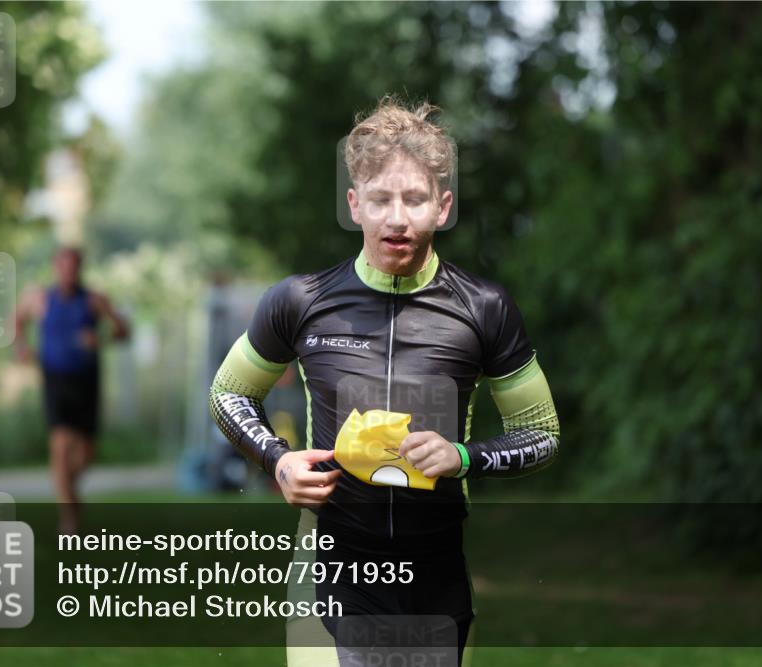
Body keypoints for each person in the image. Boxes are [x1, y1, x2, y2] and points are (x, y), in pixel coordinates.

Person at [209, 97, 560, 666]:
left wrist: (465, 458)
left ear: (442, 207)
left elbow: (541, 432)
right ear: (355, 205)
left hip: (436, 575)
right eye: (380, 200)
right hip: (331, 568)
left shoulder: (486, 309)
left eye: (415, 199)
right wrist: (277, 459)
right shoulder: (300, 301)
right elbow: (228, 393)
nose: (397, 218)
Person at [14, 246, 130, 534]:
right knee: (61, 444)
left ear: (80, 269)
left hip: (87, 381)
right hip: (55, 380)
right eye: (63, 266)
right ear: (56, 267)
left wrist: (100, 336)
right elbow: (16, 320)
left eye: (73, 267)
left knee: (86, 453)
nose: (68, 272)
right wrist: (23, 347)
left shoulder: (94, 301)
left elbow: (123, 331)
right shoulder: (40, 298)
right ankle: (69, 520)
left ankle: (69, 492)